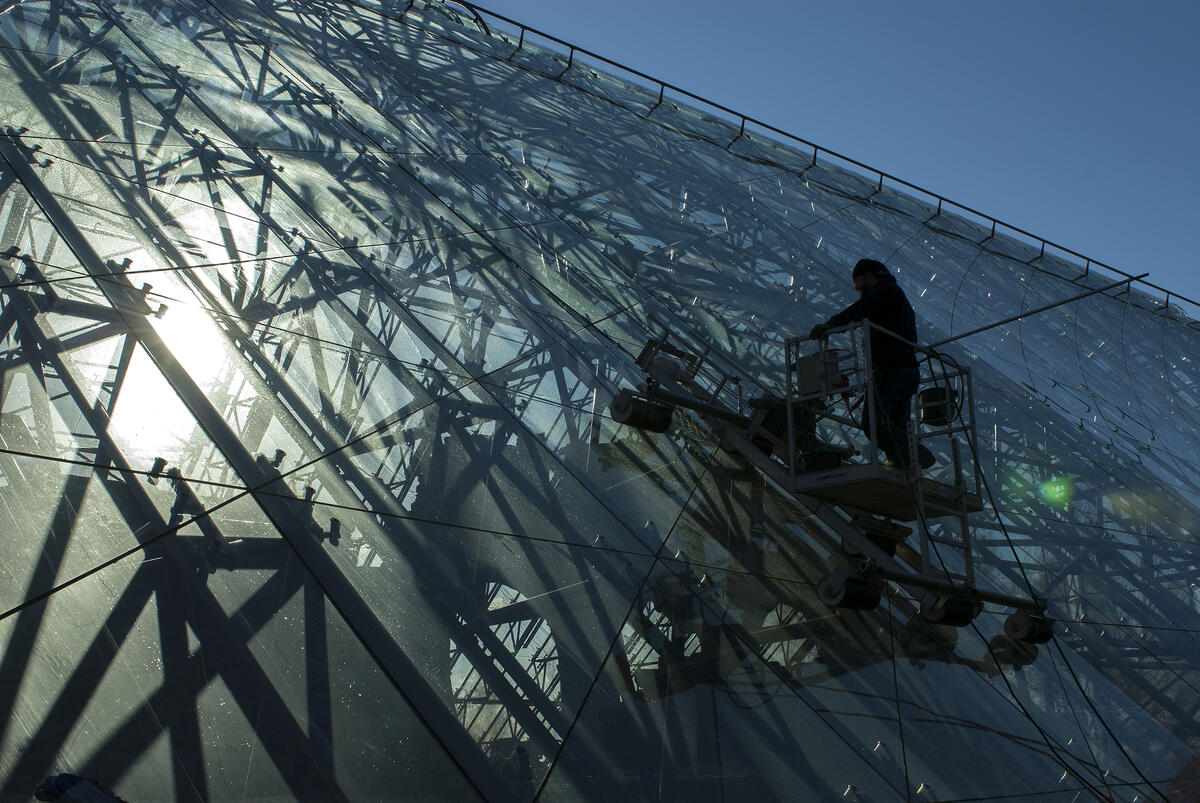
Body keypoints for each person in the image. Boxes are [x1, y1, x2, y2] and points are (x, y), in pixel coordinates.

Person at [808, 258, 925, 468]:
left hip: (891, 370)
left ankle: (912, 451)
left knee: (873, 424)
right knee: (896, 423)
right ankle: (902, 463)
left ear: (871, 275)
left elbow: (859, 309)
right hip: (906, 371)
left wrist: (831, 324)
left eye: (858, 282)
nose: (856, 288)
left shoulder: (886, 291)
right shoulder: (895, 296)